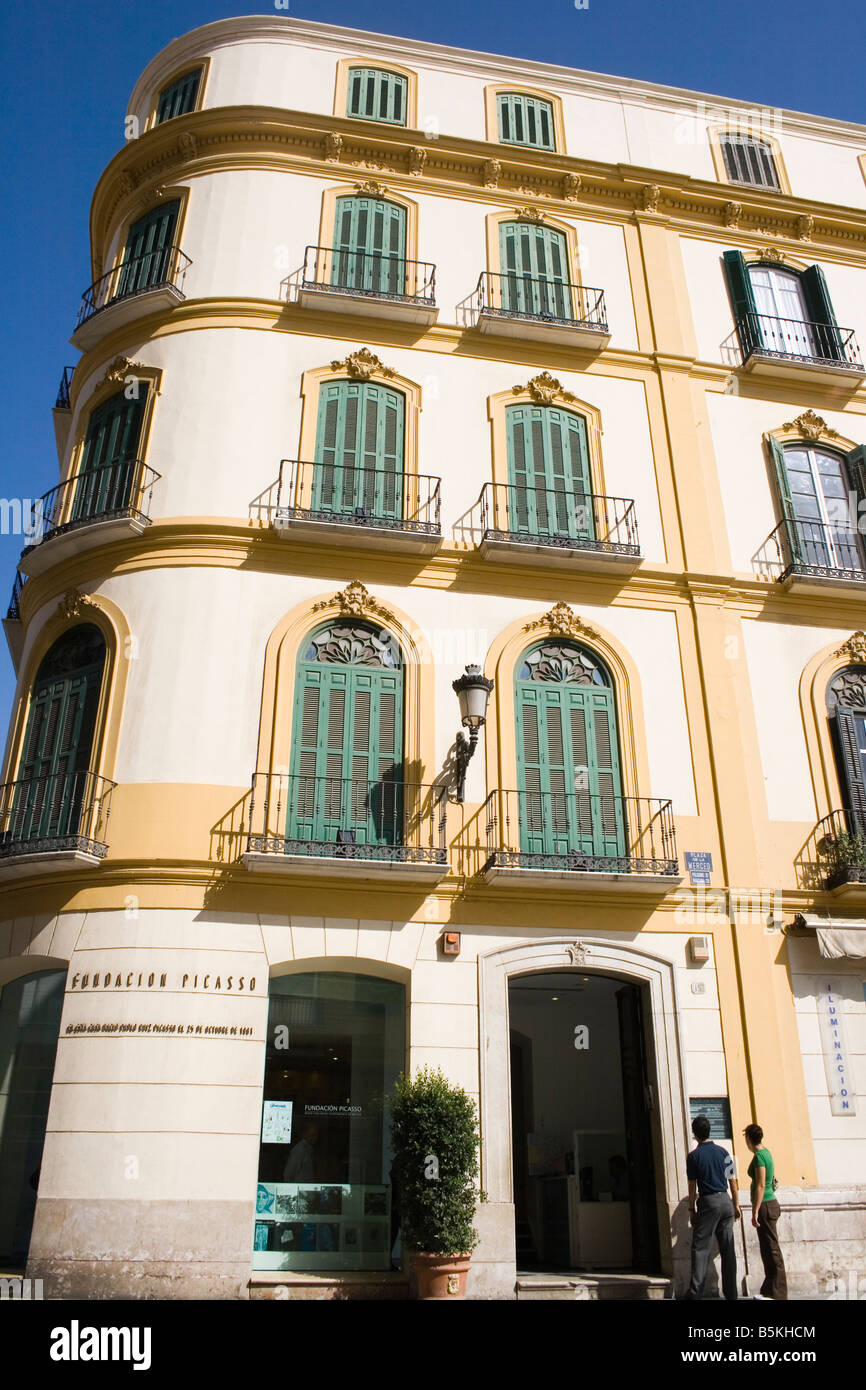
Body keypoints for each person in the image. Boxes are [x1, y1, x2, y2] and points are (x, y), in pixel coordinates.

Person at [681, 1114, 740, 1301]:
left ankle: (695, 1292)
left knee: (700, 1248)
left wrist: (691, 1209)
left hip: (709, 1203)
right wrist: (736, 1204)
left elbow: (692, 1185)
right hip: (726, 1201)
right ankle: (731, 1293)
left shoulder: (694, 1157)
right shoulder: (724, 1153)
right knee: (728, 1250)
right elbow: (733, 1180)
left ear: (694, 1134)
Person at [743, 1123, 787, 1300]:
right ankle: (769, 1290)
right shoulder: (765, 1153)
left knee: (772, 1250)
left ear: (749, 1139)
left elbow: (761, 1184)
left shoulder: (760, 1156)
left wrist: (755, 1210)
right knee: (767, 1249)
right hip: (768, 1204)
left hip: (765, 1205)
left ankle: (779, 1292)